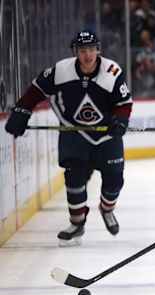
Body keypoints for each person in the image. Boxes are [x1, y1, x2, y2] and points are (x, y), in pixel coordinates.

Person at [4, 30, 132, 246]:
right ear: (76, 52)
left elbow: (124, 103)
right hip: (74, 133)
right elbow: (36, 90)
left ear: (98, 50)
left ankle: (107, 209)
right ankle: (77, 223)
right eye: (83, 50)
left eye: (91, 49)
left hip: (105, 136)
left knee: (114, 181)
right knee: (74, 181)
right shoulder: (61, 70)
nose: (88, 55)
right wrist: (22, 111)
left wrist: (120, 121)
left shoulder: (112, 71)